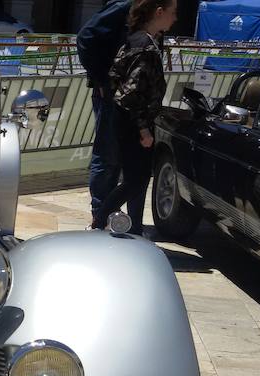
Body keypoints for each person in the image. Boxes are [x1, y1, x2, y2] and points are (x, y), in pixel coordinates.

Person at [92, 0, 177, 231]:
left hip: (124, 119)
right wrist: (143, 128)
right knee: (135, 180)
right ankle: (99, 222)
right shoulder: (146, 47)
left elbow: (114, 76)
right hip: (134, 123)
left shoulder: (135, 39)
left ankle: (134, 228)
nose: (175, 18)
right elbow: (132, 92)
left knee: (135, 179)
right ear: (159, 13)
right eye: (172, 12)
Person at [77, 0, 144, 231]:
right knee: (107, 156)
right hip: (111, 94)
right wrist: (101, 79)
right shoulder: (125, 6)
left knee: (123, 159)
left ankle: (118, 219)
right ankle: (100, 217)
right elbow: (86, 37)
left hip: (130, 95)